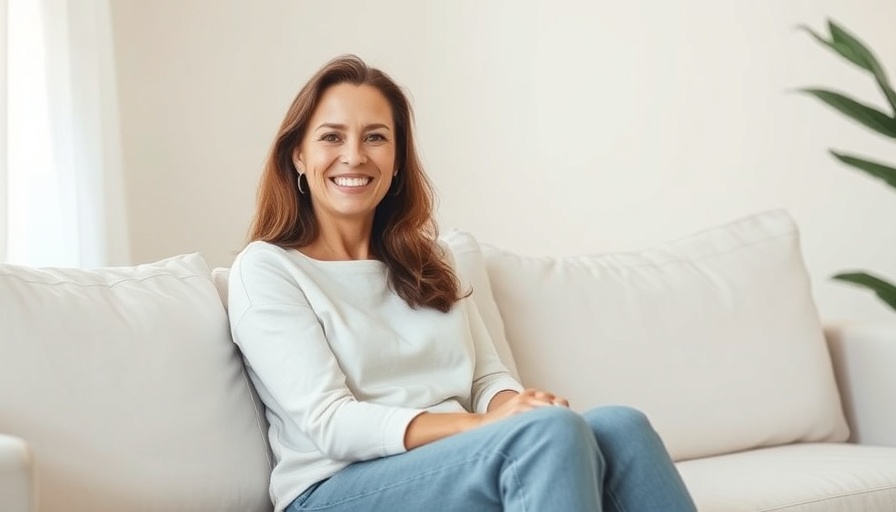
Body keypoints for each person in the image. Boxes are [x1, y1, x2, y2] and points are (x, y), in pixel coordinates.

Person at [227, 54, 698, 512]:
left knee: (621, 426)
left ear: (396, 162)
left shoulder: (431, 259)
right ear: (298, 156)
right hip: (335, 488)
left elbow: (487, 378)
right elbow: (331, 423)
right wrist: (482, 426)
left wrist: (519, 407)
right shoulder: (269, 269)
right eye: (332, 137)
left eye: (375, 137)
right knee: (544, 436)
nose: (354, 156)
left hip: (455, 461)